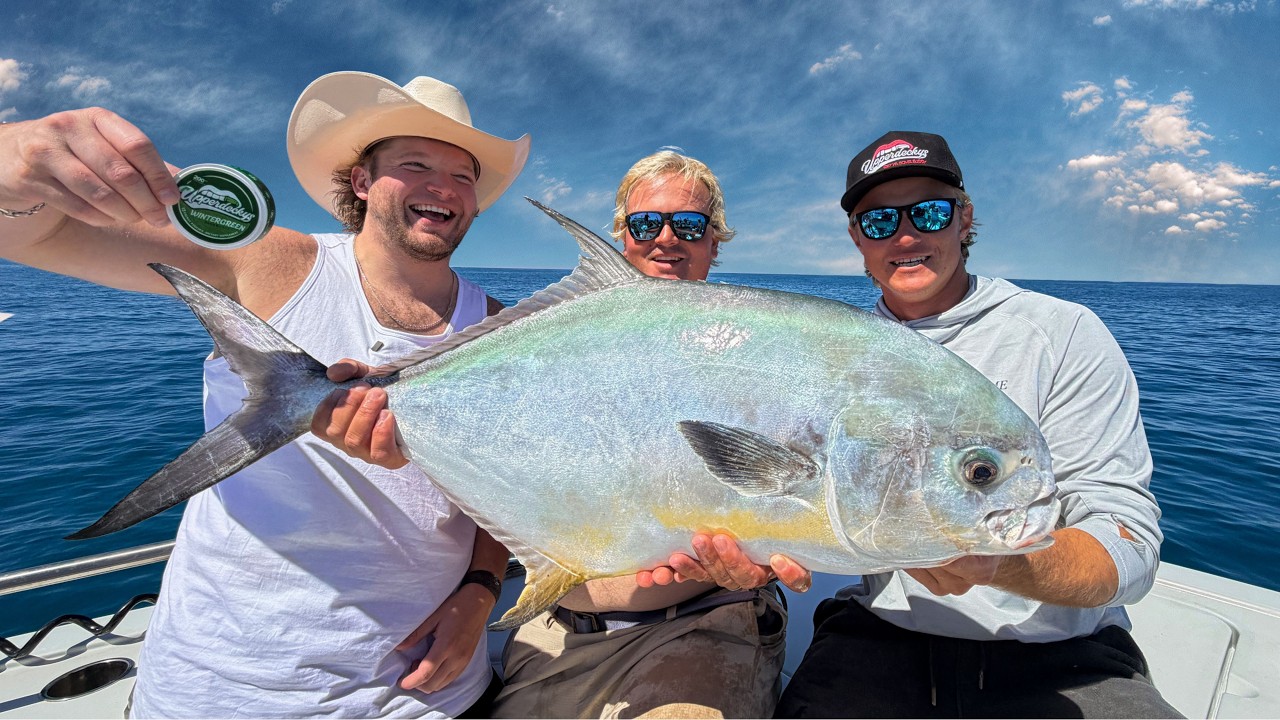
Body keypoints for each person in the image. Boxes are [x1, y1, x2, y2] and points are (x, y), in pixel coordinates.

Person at [0, 70, 529, 717]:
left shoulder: (507, 330)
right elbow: (35, 233)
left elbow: (506, 490)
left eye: (463, 176)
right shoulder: (274, 260)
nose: (443, 187)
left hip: (431, 695)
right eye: (415, 164)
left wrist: (479, 593)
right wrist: (17, 162)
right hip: (222, 692)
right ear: (360, 181)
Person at [659, 131, 1181, 718]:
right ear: (858, 238)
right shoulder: (828, 351)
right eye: (879, 221)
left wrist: (1003, 565)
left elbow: (1127, 539)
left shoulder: (1063, 334)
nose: (905, 236)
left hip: (1064, 658)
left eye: (928, 212)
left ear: (964, 219)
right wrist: (750, 557)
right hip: (878, 638)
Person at [320, 150, 790, 719]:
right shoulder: (554, 346)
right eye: (647, 224)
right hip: (554, 631)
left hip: (699, 628)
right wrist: (479, 584)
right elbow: (509, 476)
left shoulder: (753, 349)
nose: (667, 238)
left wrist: (763, 558)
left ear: (715, 242)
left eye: (689, 225)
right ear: (623, 237)